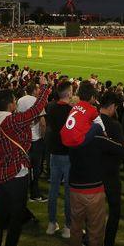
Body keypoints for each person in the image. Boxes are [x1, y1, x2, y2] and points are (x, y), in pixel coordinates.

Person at [0, 87, 48, 246]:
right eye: (14, 101)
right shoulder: (11, 121)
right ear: (10, 105)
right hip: (17, 174)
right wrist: (45, 88)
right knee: (15, 219)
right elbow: (36, 109)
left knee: (0, 217)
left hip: (0, 174)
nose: (15, 103)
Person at [67, 83, 124, 246]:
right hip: (97, 183)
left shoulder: (75, 133)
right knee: (97, 228)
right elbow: (121, 150)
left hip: (78, 184)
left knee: (77, 226)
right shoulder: (104, 132)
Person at [45, 79, 73, 238]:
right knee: (69, 192)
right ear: (68, 93)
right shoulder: (71, 110)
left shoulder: (50, 107)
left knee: (53, 189)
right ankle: (68, 226)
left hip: (54, 153)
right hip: (68, 154)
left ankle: (51, 223)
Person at [98, 92, 124, 246]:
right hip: (110, 174)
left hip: (94, 173)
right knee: (114, 211)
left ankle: (91, 238)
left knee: (94, 211)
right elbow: (122, 151)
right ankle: (108, 242)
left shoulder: (92, 121)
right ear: (112, 107)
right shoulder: (115, 125)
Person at [18, 83, 47, 203]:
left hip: (23, 139)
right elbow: (42, 122)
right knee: (36, 168)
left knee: (25, 167)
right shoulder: (36, 101)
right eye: (38, 88)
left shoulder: (20, 100)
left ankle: (24, 192)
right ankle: (34, 194)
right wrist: (43, 136)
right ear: (34, 90)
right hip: (35, 139)